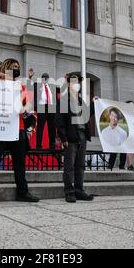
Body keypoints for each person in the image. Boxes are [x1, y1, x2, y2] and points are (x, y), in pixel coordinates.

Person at [0, 58, 40, 206]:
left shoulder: (21, 86)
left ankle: (23, 192)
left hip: (17, 129)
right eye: (13, 66)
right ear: (6, 68)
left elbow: (28, 108)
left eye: (18, 67)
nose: (16, 69)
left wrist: (25, 110)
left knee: (19, 163)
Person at [56, 73, 95, 203]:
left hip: (82, 135)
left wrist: (94, 105)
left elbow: (87, 115)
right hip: (71, 136)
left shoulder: (80, 100)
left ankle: (79, 190)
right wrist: (63, 138)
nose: (76, 84)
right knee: (69, 166)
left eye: (78, 82)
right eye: (73, 81)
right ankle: (69, 191)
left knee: (80, 165)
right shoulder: (63, 100)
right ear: (68, 84)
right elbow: (60, 121)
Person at [35, 73, 57, 149]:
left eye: (47, 78)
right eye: (44, 78)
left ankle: (52, 145)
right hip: (42, 106)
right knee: (40, 127)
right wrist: (30, 78)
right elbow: (30, 86)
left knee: (52, 127)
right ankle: (38, 145)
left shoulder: (51, 87)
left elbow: (61, 90)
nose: (45, 79)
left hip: (51, 107)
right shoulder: (37, 86)